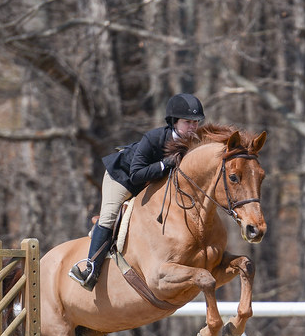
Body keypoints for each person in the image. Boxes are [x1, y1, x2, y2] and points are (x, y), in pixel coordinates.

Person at [69, 93, 205, 290]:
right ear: (174, 122)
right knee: (108, 217)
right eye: (188, 122)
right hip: (123, 178)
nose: (193, 127)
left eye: (196, 122)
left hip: (150, 183)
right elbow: (136, 175)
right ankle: (90, 269)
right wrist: (163, 164)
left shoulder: (195, 143)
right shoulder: (154, 138)